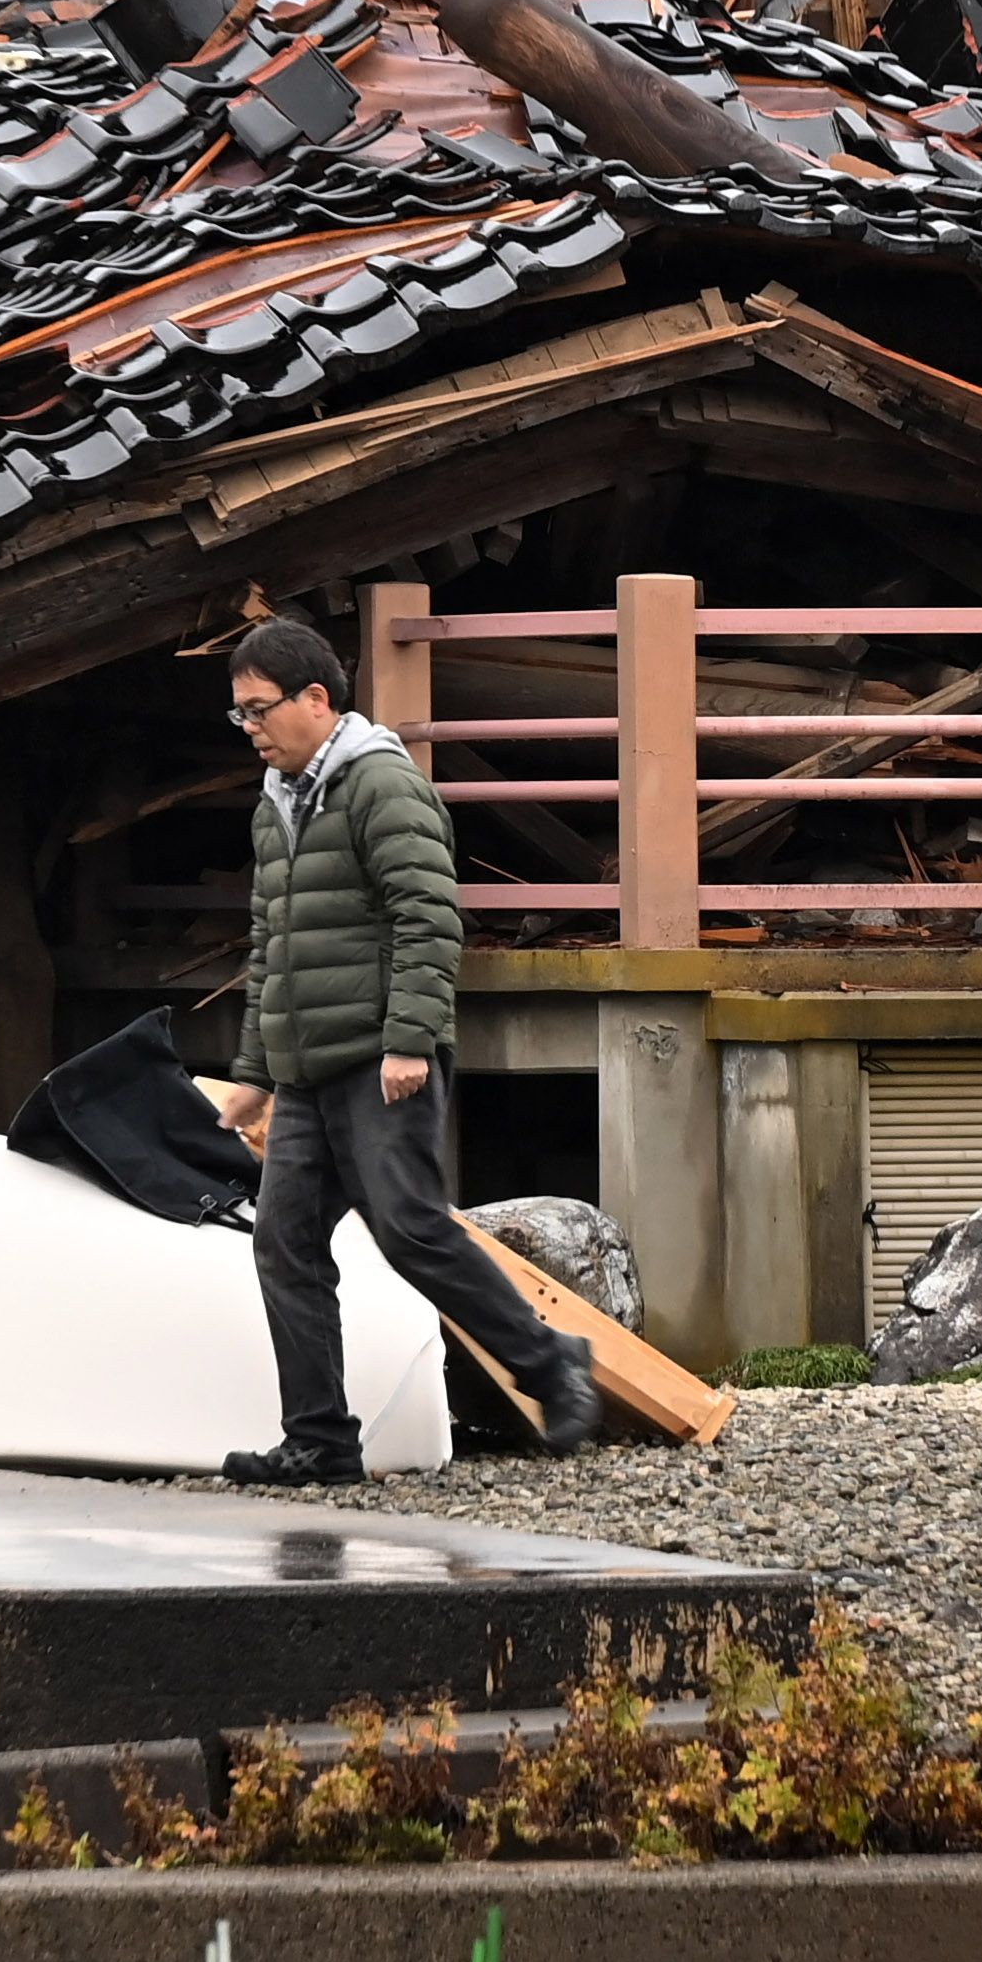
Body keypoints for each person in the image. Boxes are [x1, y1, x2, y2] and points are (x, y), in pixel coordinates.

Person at [213, 611, 597, 1485]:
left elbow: (427, 915)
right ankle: (320, 1440)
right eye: (238, 714)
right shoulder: (276, 809)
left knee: (411, 1230)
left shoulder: (379, 783)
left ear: (317, 698)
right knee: (283, 1245)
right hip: (308, 1075)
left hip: (384, 1062)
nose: (250, 728)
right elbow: (270, 945)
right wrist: (252, 1074)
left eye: (259, 708)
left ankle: (548, 1361)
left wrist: (410, 1040)